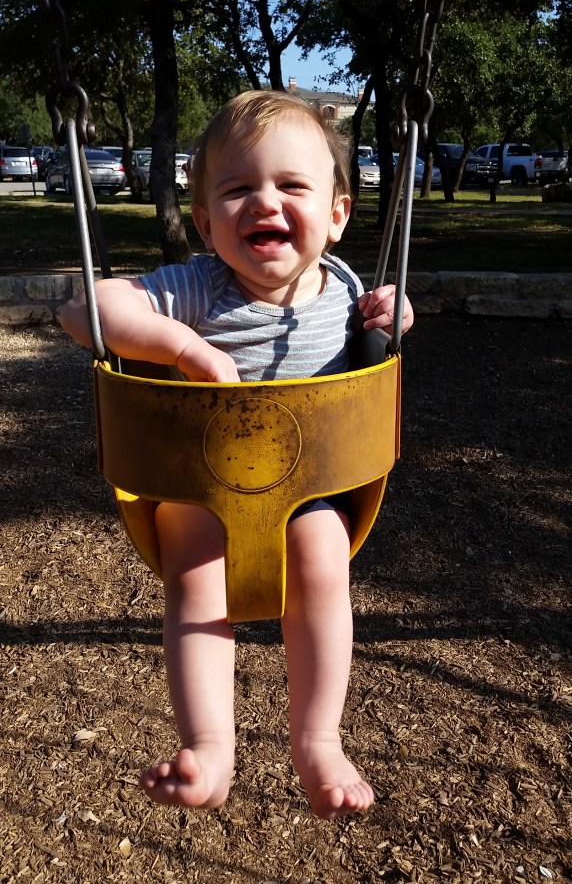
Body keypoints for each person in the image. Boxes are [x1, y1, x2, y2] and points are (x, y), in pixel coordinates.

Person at [61, 90, 414, 820]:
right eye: (238, 189)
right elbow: (83, 309)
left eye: (292, 185)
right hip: (201, 489)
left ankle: (318, 740)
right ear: (205, 222)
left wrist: (396, 312)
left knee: (322, 556)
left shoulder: (346, 288)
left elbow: (384, 322)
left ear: (337, 215)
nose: (265, 202)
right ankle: (210, 746)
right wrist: (183, 347)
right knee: (196, 570)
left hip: (307, 490)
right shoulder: (198, 287)